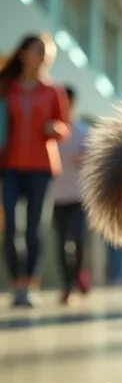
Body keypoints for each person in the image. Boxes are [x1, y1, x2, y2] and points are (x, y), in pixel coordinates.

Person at [0, 33, 69, 307]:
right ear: (23, 54)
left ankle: (30, 283)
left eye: (46, 51)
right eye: (37, 50)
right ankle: (16, 283)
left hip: (41, 165)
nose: (42, 55)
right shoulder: (8, 88)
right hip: (11, 166)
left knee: (34, 228)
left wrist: (56, 129)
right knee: (10, 227)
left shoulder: (53, 91)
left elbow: (64, 125)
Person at [50, 86, 90, 304]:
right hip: (56, 197)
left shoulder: (83, 132)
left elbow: (93, 161)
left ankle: (78, 274)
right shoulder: (52, 131)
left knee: (77, 239)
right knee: (61, 242)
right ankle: (67, 284)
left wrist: (83, 160)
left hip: (78, 196)